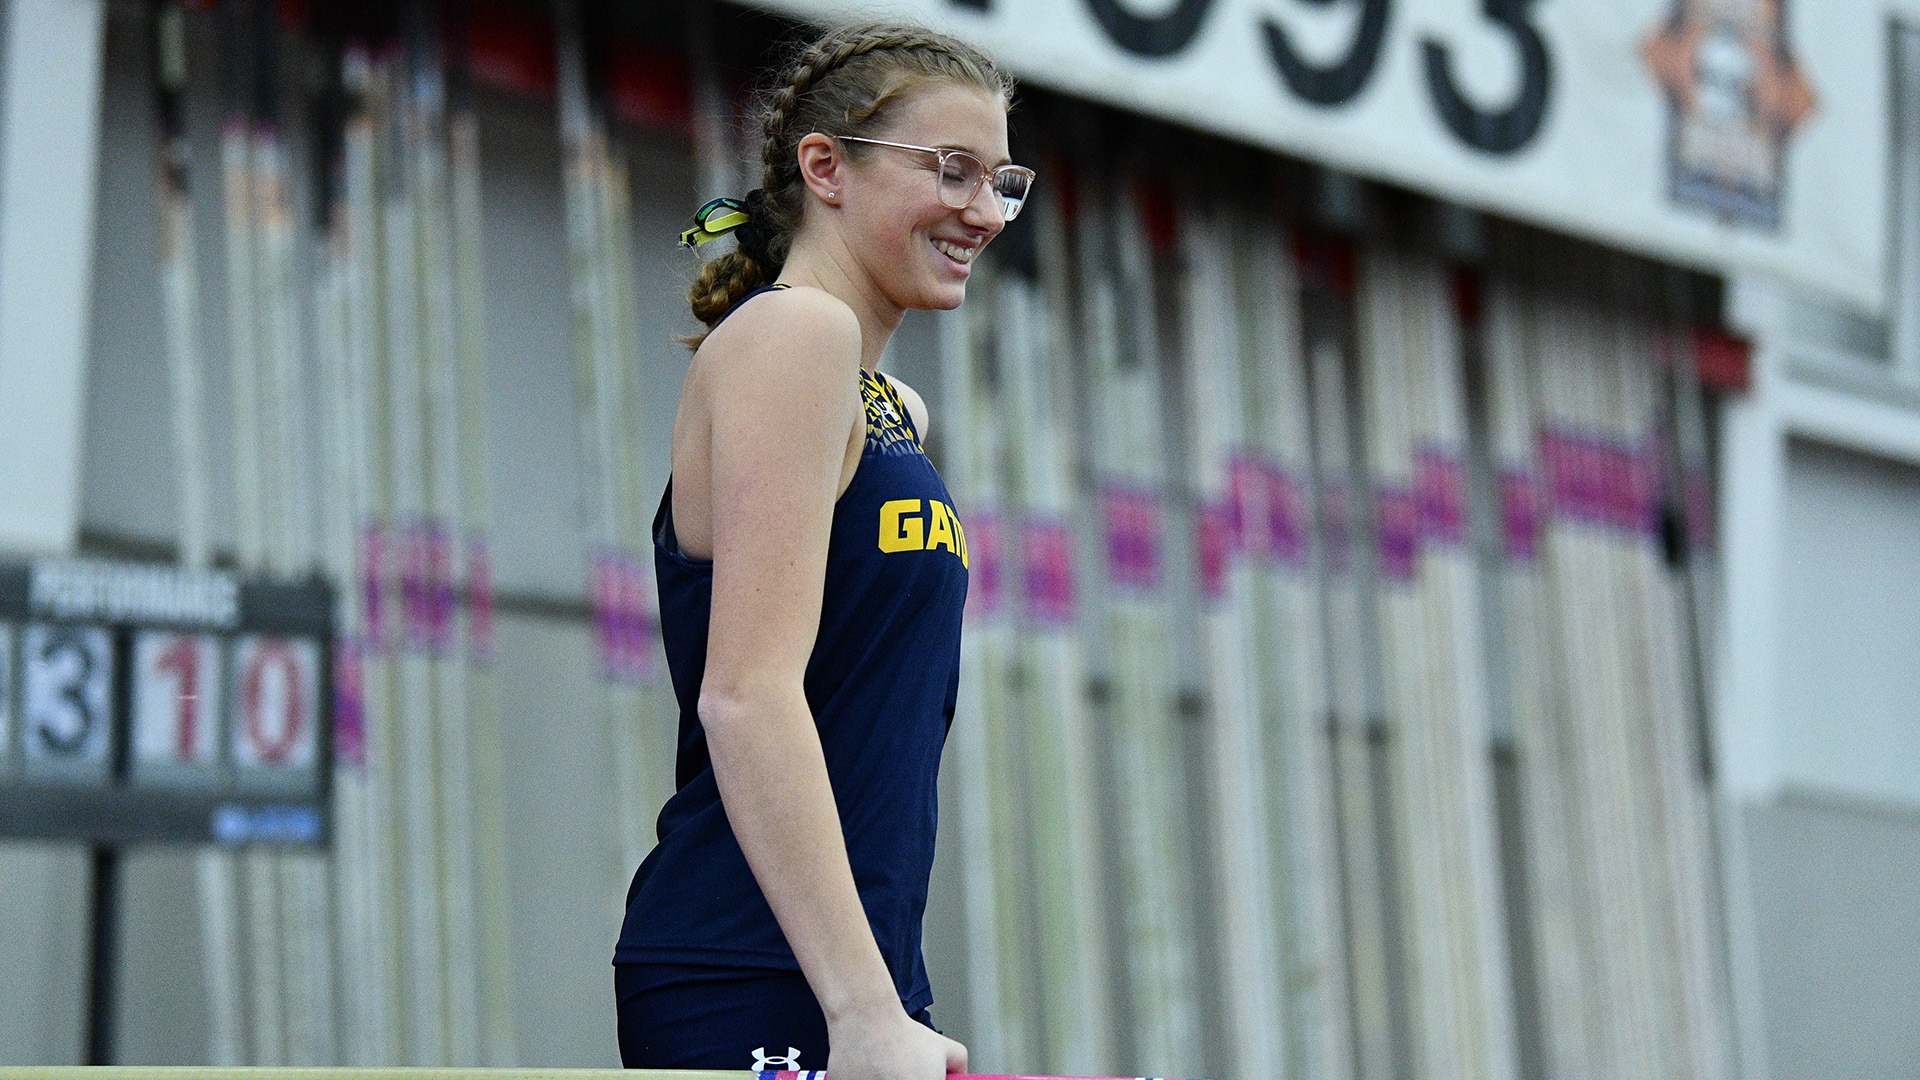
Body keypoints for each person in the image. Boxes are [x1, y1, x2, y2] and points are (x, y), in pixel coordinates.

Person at [612, 22, 1034, 1080]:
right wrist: (861, 1013)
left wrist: (878, 998)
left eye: (1001, 180)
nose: (983, 210)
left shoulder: (891, 407)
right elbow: (746, 693)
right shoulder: (793, 336)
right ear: (824, 167)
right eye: (951, 171)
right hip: (756, 969)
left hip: (858, 972)